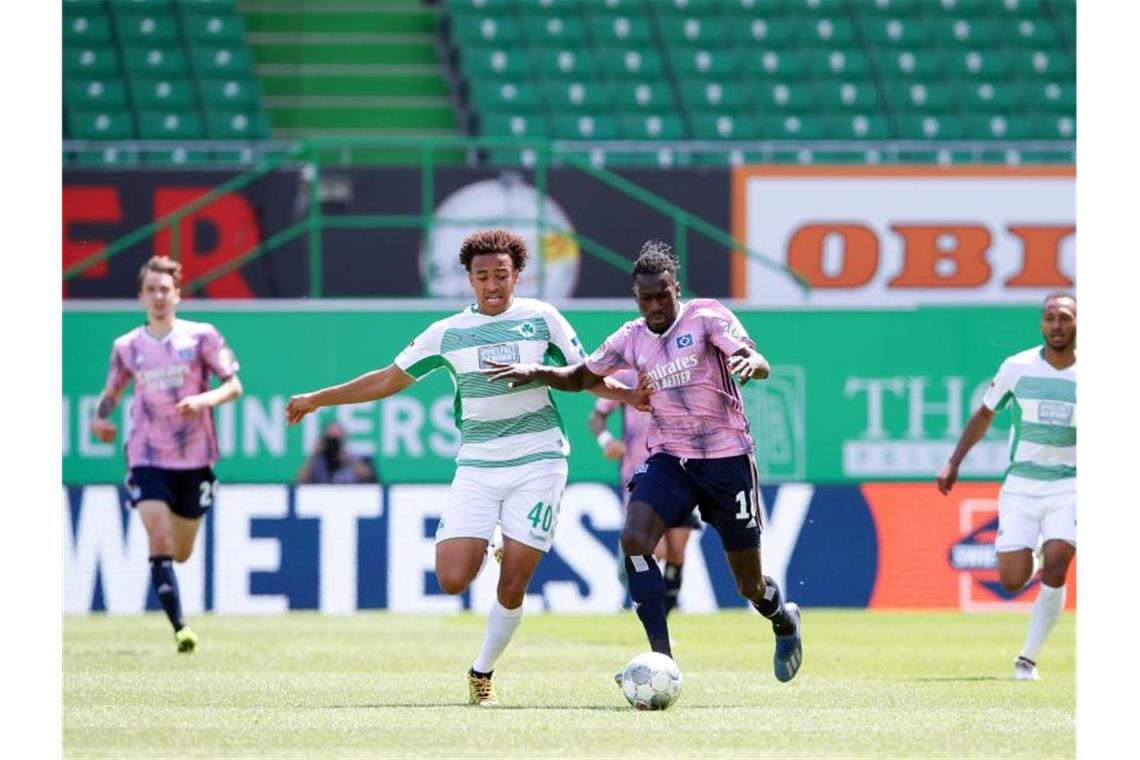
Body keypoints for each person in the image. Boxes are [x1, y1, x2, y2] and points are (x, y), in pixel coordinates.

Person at [283, 229, 647, 706]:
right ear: (468, 280)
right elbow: (389, 379)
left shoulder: (542, 319)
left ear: (518, 274)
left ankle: (482, 671)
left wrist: (627, 395)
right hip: (477, 464)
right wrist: (316, 399)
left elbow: (584, 376)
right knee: (452, 579)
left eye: (501, 275)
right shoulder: (448, 333)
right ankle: (495, 538)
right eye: (482, 276)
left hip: (539, 460)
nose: (493, 285)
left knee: (513, 582)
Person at [484, 240, 803, 684]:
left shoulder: (707, 317)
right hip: (670, 457)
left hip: (727, 460)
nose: (655, 305)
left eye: (663, 294)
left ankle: (782, 617)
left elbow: (754, 358)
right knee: (634, 538)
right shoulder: (629, 338)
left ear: (677, 289)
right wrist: (538, 372)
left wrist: (752, 360)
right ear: (636, 298)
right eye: (646, 298)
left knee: (747, 585)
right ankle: (662, 661)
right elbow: (582, 377)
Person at [90, 255, 243, 653]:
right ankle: (181, 628)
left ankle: (175, 601)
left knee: (182, 551)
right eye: (151, 290)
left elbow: (233, 386)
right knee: (158, 538)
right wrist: (99, 418)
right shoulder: (127, 347)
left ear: (177, 294)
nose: (158, 296)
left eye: (165, 289)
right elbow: (112, 392)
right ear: (141, 296)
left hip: (195, 459)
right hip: (146, 455)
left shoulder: (202, 337)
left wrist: (201, 400)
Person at [938, 292, 1077, 682]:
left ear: (1077, 323)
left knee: (1058, 560)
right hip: (1021, 485)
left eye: (1065, 317)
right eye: (1050, 317)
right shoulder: (1018, 367)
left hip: (1071, 486)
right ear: (1041, 324)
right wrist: (954, 461)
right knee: (1012, 579)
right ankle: (1031, 555)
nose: (1057, 325)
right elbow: (984, 415)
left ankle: (1027, 661)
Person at [589, 368, 700, 617]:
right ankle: (630, 565)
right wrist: (606, 441)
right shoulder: (626, 376)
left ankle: (665, 618)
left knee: (677, 551)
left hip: (682, 471)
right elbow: (597, 417)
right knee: (657, 551)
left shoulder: (684, 370)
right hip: (640, 472)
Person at [294, 421, 376, 484]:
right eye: (331, 439)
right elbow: (299, 481)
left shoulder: (354, 457)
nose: (334, 444)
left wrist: (348, 459)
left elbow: (369, 478)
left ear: (344, 438)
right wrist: (313, 455)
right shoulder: (318, 459)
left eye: (337, 439)